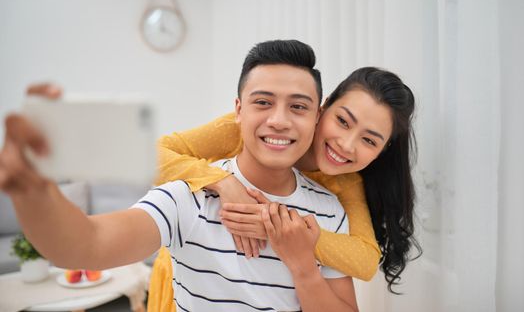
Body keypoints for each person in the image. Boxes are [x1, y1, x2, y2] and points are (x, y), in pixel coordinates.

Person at [0, 40, 358, 311]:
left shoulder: (328, 209)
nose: (279, 120)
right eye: (262, 102)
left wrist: (301, 264)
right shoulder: (190, 196)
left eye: (298, 106)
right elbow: (86, 244)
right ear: (237, 110)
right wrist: (34, 191)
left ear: (316, 117)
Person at [150, 64, 422, 305]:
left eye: (369, 140)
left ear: (381, 151)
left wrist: (281, 229)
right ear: (322, 109)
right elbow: (153, 153)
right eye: (342, 121)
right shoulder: (249, 129)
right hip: (190, 279)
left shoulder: (347, 183)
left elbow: (364, 261)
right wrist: (223, 182)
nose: (346, 144)